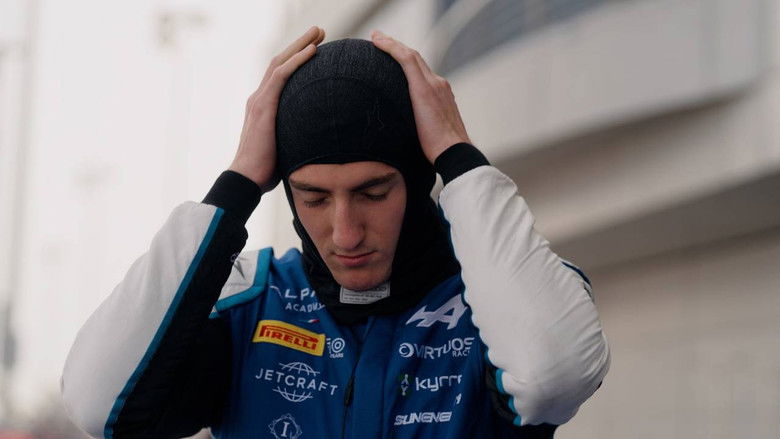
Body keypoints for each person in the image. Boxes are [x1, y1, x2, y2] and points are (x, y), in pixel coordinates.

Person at [61, 26, 610, 438]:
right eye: (315, 198)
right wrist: (235, 187)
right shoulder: (251, 301)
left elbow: (551, 379)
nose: (345, 234)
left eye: (373, 193)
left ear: (420, 178)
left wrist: (459, 158)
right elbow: (98, 402)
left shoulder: (504, 300)